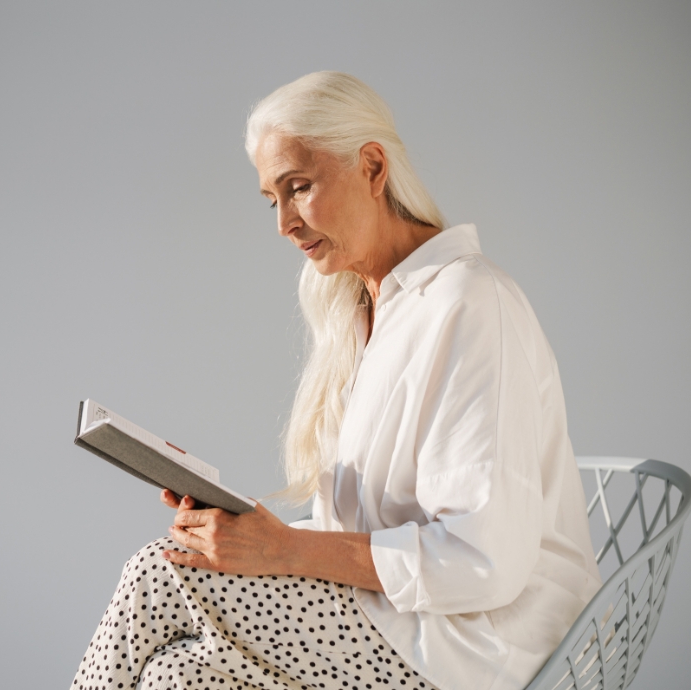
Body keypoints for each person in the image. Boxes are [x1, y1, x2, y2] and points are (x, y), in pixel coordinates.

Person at [71, 72, 601, 690]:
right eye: (273, 199)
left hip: (475, 647)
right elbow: (360, 530)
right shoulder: (358, 310)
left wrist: (285, 551)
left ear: (373, 168)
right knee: (175, 676)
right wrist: (238, 526)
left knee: (159, 573)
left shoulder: (471, 304)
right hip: (386, 621)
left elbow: (484, 561)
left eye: (300, 187)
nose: (284, 224)